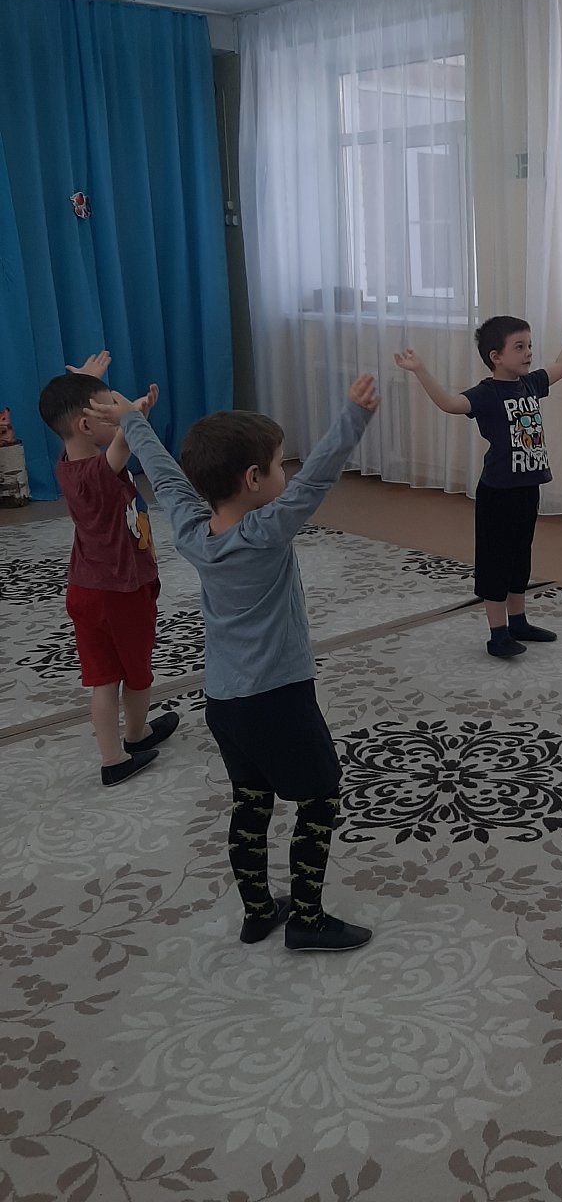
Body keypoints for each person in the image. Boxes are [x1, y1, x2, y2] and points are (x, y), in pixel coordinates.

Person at [89, 376, 381, 953]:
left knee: (251, 800)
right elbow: (316, 480)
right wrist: (354, 416)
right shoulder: (265, 532)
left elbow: (165, 476)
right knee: (320, 796)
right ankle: (307, 919)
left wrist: (134, 422)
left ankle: (257, 910)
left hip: (225, 702)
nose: (286, 473)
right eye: (278, 464)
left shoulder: (192, 529)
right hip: (278, 699)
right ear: (253, 479)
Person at [396, 317, 562, 658]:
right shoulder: (487, 394)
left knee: (519, 560)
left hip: (527, 489)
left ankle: (518, 622)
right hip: (498, 494)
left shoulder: (530, 384)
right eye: (519, 347)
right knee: (495, 563)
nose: (528, 352)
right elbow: (449, 404)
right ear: (496, 357)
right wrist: (421, 370)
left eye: (529, 346)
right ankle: (497, 634)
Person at [37, 351, 179, 787]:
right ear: (86, 425)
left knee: (102, 678)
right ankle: (135, 736)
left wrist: (88, 383)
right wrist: (132, 415)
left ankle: (112, 757)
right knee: (136, 672)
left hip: (85, 589)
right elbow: (128, 437)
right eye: (107, 415)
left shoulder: (68, 467)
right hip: (122, 590)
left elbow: (115, 430)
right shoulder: (100, 472)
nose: (116, 421)